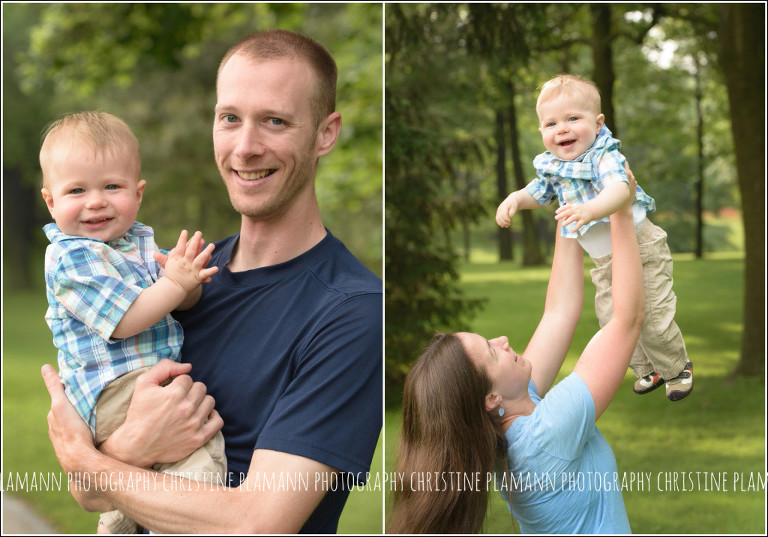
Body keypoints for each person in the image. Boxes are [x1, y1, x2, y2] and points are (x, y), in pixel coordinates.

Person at [41, 29, 382, 534]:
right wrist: (129, 446)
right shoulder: (180, 276)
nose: (245, 148)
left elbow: (257, 523)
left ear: (326, 134)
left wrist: (87, 458)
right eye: (230, 119)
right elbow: (89, 495)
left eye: (275, 121)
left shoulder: (353, 312)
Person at [391, 173, 644, 533]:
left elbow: (559, 310)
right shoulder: (547, 435)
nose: (504, 340)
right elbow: (626, 322)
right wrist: (620, 209)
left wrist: (568, 193)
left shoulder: (505, 432)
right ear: (491, 398)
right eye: (493, 353)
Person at [39, 111, 225, 534]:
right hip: (113, 390)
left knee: (136, 486)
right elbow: (125, 319)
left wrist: (186, 280)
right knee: (195, 457)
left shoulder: (136, 243)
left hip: (134, 386)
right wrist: (174, 285)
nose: (96, 201)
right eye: (77, 190)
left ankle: (119, 522)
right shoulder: (72, 257)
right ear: (51, 201)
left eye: (111, 186)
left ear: (137, 193)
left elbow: (176, 304)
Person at [495, 74, 693, 401]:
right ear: (542, 131)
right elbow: (538, 192)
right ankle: (649, 370)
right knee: (611, 322)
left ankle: (676, 368)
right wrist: (515, 200)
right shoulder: (553, 166)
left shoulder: (604, 154)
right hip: (603, 261)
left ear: (598, 123)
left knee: (652, 318)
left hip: (641, 249)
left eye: (573, 118)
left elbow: (620, 191)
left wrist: (589, 210)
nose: (562, 128)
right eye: (551, 123)